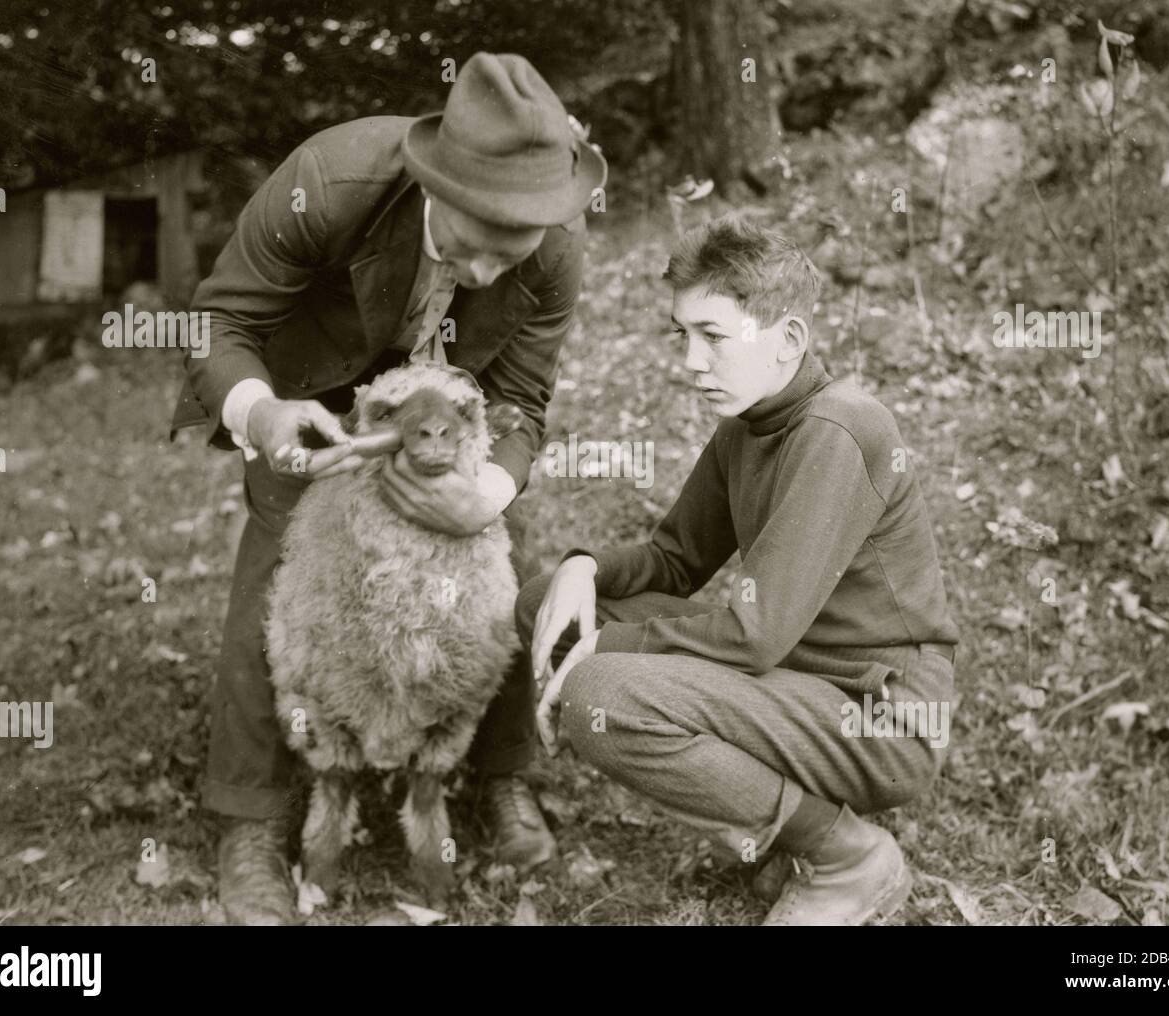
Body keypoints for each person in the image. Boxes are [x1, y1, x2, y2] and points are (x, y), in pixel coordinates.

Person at [169, 52, 606, 925]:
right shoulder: (330, 182)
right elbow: (219, 319)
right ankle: (251, 818)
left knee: (492, 554)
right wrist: (262, 418)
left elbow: (522, 396)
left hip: (445, 408)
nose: (485, 271)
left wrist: (492, 487)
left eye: (509, 248)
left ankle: (497, 773)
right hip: (308, 388)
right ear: (431, 182)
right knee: (286, 562)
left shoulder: (556, 242)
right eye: (473, 241)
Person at [523, 216, 960, 926]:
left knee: (601, 690)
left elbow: (755, 637)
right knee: (551, 606)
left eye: (714, 336)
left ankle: (845, 855)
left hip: (882, 713)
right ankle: (777, 826)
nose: (691, 361)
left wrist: (608, 652)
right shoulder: (746, 428)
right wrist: (582, 567)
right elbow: (674, 560)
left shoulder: (840, 428)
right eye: (681, 335)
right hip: (795, 684)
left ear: (788, 339)